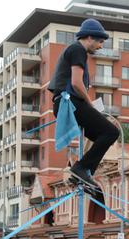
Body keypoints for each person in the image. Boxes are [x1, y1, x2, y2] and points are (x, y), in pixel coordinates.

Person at [48, 18, 120, 190]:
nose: (101, 46)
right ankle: (81, 169)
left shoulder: (75, 51)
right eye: (100, 42)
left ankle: (83, 175)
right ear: (89, 37)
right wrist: (90, 104)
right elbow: (76, 83)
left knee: (101, 137)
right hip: (70, 102)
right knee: (111, 131)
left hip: (65, 103)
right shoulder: (77, 50)